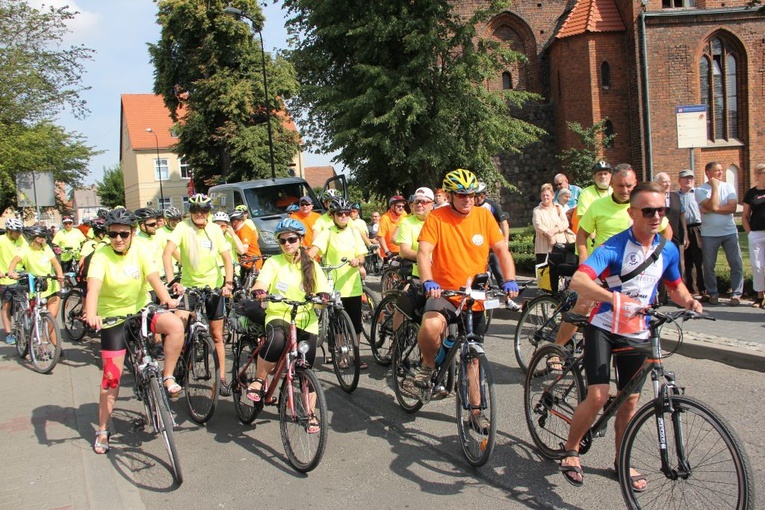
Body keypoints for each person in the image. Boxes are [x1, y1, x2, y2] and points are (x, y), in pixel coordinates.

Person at [558, 181, 702, 489]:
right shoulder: (613, 247)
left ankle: (621, 459)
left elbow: (675, 286)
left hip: (637, 331)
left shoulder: (667, 250)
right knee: (598, 395)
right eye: (648, 210)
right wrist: (614, 299)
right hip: (604, 327)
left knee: (630, 401)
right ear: (632, 213)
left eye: (661, 210)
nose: (656, 216)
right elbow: (579, 282)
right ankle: (571, 450)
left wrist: (689, 301)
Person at [413, 169, 520, 425]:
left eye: (471, 194)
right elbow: (424, 251)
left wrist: (510, 280)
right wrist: (429, 280)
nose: (467, 199)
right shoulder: (437, 217)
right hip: (444, 291)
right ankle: (428, 367)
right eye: (461, 195)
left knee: (473, 354)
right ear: (450, 195)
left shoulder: (484, 216)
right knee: (431, 326)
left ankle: (475, 412)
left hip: (473, 295)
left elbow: (502, 250)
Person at [84, 208, 185, 455]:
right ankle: (103, 429)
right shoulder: (101, 256)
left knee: (175, 325)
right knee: (111, 378)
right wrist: (92, 314)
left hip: (140, 310)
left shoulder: (139, 249)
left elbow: (154, 279)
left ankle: (168, 375)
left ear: (132, 233)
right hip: (112, 319)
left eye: (124, 234)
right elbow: (93, 289)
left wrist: (167, 300)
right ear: (108, 234)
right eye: (114, 234)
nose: (119, 239)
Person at [245, 218, 330, 435]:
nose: (287, 244)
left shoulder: (312, 264)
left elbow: (323, 290)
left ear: (301, 240)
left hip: (305, 319)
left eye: (292, 239)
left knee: (305, 366)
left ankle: (310, 413)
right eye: (283, 241)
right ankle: (259, 380)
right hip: (278, 314)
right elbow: (262, 282)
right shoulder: (274, 262)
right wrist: (259, 290)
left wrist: (323, 297)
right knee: (277, 340)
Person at [163, 193, 235, 396]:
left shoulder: (214, 229)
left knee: (217, 335)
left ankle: (221, 379)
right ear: (190, 212)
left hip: (213, 286)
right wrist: (173, 282)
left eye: (204, 210)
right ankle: (176, 365)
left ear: (209, 212)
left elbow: (227, 259)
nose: (200, 214)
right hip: (188, 287)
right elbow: (167, 254)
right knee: (179, 324)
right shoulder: (182, 227)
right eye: (195, 210)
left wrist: (228, 283)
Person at [309, 197, 368, 369]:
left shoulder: (354, 231)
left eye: (346, 213)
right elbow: (315, 250)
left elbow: (362, 255)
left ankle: (356, 355)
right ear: (333, 215)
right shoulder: (327, 232)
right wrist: (304, 261)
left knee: (356, 324)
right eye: (339, 214)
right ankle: (343, 355)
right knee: (339, 325)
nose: (343, 216)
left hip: (352, 284)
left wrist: (358, 260)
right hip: (334, 285)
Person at [8, 226, 65, 353]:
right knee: (36, 315)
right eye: (41, 238)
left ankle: (46, 339)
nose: (43, 240)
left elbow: (55, 263)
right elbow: (14, 262)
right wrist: (11, 272)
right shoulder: (25, 250)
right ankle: (35, 336)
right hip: (36, 287)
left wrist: (60, 275)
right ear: (34, 239)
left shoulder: (46, 249)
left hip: (51, 284)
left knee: (51, 316)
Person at [695, 161, 744, 305]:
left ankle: (736, 293)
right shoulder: (700, 190)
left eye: (721, 170)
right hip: (709, 234)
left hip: (729, 232)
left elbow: (733, 208)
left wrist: (712, 208)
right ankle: (713, 293)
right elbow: (713, 205)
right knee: (709, 265)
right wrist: (715, 188)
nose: (721, 173)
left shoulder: (729, 187)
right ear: (708, 173)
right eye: (717, 170)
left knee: (736, 263)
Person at [654, 172, 687, 304]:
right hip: (658, 237)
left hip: (675, 236)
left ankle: (679, 298)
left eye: (668, 181)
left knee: (676, 266)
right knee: (658, 266)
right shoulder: (654, 198)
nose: (667, 184)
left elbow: (682, 215)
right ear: (656, 183)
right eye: (663, 181)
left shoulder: (675, 196)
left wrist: (685, 234)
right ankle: (661, 297)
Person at [677, 169, 705, 299]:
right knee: (686, 260)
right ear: (679, 181)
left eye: (691, 178)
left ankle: (703, 289)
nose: (688, 180)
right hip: (683, 228)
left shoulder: (698, 193)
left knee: (700, 259)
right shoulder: (676, 196)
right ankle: (691, 289)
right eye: (685, 178)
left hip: (697, 228)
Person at [0, 218, 27, 345]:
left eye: (20, 231)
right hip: (6, 278)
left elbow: (28, 253)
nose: (19, 234)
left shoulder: (21, 239)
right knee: (7, 305)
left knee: (26, 303)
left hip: (21, 277)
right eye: (16, 231)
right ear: (9, 231)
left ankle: (25, 326)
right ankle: (9, 332)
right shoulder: (1, 240)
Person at [743, 163, 765, 308]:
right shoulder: (751, 194)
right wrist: (749, 233)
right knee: (757, 266)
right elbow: (745, 216)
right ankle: (759, 296)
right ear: (757, 175)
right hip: (756, 233)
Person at [532, 183, 570, 263]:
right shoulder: (537, 210)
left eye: (547, 195)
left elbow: (565, 223)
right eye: (543, 195)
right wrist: (548, 234)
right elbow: (538, 225)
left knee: (559, 271)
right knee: (544, 272)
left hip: (559, 245)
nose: (545, 197)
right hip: (543, 248)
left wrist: (555, 230)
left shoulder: (559, 208)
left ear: (552, 196)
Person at [229, 208, 263, 282]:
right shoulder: (238, 230)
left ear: (235, 221)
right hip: (244, 263)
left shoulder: (244, 230)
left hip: (252, 263)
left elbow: (244, 250)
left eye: (230, 222)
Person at [376, 195, 408, 261]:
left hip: (402, 253)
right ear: (392, 206)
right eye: (398, 206)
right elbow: (380, 237)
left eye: (403, 206)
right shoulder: (385, 218)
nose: (401, 208)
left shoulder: (404, 214)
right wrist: (387, 252)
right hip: (389, 254)